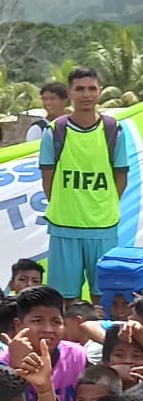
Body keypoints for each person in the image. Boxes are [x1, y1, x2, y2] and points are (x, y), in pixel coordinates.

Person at [40, 66, 129, 305]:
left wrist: (102, 205)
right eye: (79, 89)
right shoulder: (54, 131)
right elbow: (47, 178)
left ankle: (100, 342)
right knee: (66, 300)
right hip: (64, 227)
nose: (86, 94)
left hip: (103, 227)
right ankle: (70, 342)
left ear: (99, 92)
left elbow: (121, 177)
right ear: (69, 93)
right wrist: (64, 204)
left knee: (104, 296)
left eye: (91, 88)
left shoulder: (114, 130)